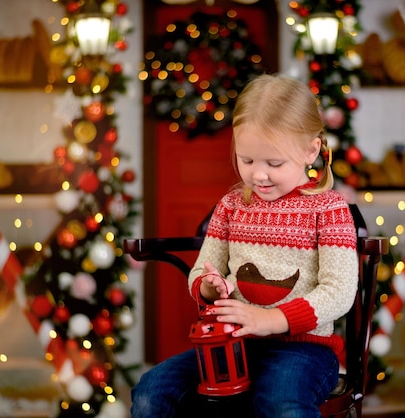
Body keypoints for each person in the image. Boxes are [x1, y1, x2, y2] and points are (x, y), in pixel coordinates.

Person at [131, 73, 359, 418]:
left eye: (274, 163)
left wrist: (271, 319)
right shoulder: (232, 206)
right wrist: (209, 287)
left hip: (305, 350)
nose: (258, 175)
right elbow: (200, 272)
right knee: (152, 391)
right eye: (247, 160)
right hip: (231, 344)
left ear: (310, 151)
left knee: (279, 403)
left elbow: (340, 291)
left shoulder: (327, 209)